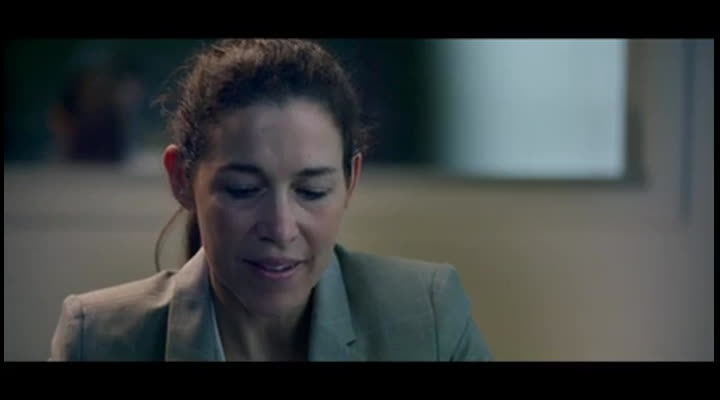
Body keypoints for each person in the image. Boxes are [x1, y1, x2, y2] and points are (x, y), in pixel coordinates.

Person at [49, 39, 492, 361]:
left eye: (311, 191)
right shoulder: (99, 339)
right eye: (243, 190)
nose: (280, 228)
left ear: (350, 181)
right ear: (182, 179)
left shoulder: (427, 318)